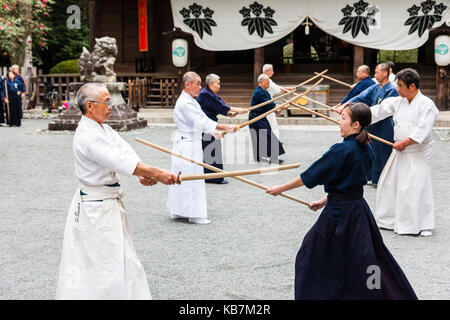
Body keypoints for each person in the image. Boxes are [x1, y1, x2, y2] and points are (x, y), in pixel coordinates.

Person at [266, 103, 417, 300]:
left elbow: (311, 175)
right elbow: (349, 183)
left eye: (343, 118)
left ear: (355, 125)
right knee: (363, 260)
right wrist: (324, 199)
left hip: (339, 214)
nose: (339, 122)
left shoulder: (342, 150)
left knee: (311, 256)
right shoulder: (367, 148)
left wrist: (280, 189)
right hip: (358, 211)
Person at [56, 83, 178, 299]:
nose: (110, 106)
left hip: (106, 202)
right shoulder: (88, 135)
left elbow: (123, 152)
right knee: (104, 262)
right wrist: (157, 173)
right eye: (106, 102)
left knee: (120, 256)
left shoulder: (102, 128)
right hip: (96, 207)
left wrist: (142, 172)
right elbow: (116, 159)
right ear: (91, 106)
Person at [369, 68, 438, 237]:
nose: (397, 89)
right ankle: (389, 220)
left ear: (412, 86)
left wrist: (405, 143)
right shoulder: (398, 101)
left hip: (416, 152)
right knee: (389, 185)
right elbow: (379, 110)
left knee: (415, 188)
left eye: (400, 85)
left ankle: (422, 224)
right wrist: (354, 113)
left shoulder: (427, 105)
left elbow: (423, 130)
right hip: (399, 151)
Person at [167, 71, 237, 224]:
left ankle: (180, 210)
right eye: (197, 83)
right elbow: (200, 122)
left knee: (185, 177)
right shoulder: (185, 102)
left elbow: (203, 119)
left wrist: (215, 132)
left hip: (190, 142)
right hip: (187, 145)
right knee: (191, 178)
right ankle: (194, 214)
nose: (200, 86)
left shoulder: (191, 100)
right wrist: (223, 126)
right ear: (187, 84)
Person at [338, 63, 399, 186]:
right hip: (373, 123)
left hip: (385, 123)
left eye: (377, 72)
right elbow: (362, 96)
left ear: (385, 73)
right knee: (373, 149)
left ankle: (384, 179)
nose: (375, 75)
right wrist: (345, 104)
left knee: (384, 151)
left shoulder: (391, 90)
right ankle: (374, 177)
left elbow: (382, 110)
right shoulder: (376, 87)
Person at [197, 73, 247, 184]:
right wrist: (239, 110)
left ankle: (214, 176)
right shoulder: (205, 94)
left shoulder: (210, 93)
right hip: (206, 126)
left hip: (210, 125)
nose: (219, 86)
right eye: (218, 83)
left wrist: (229, 113)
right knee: (211, 150)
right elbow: (221, 107)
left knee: (213, 148)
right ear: (211, 83)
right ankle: (213, 177)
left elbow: (219, 105)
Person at [249, 73, 288, 164]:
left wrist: (278, 109)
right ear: (262, 82)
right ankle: (273, 158)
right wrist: (281, 106)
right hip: (256, 117)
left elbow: (269, 105)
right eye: (267, 82)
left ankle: (258, 156)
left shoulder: (264, 91)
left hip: (259, 116)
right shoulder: (259, 92)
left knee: (259, 136)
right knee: (268, 136)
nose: (269, 84)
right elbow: (269, 104)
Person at [262, 64, 294, 140]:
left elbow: (276, 87)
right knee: (273, 124)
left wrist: (287, 89)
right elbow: (276, 89)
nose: (273, 72)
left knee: (267, 123)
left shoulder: (264, 78)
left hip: (267, 103)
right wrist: (287, 89)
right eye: (271, 70)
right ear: (267, 71)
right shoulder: (265, 79)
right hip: (266, 104)